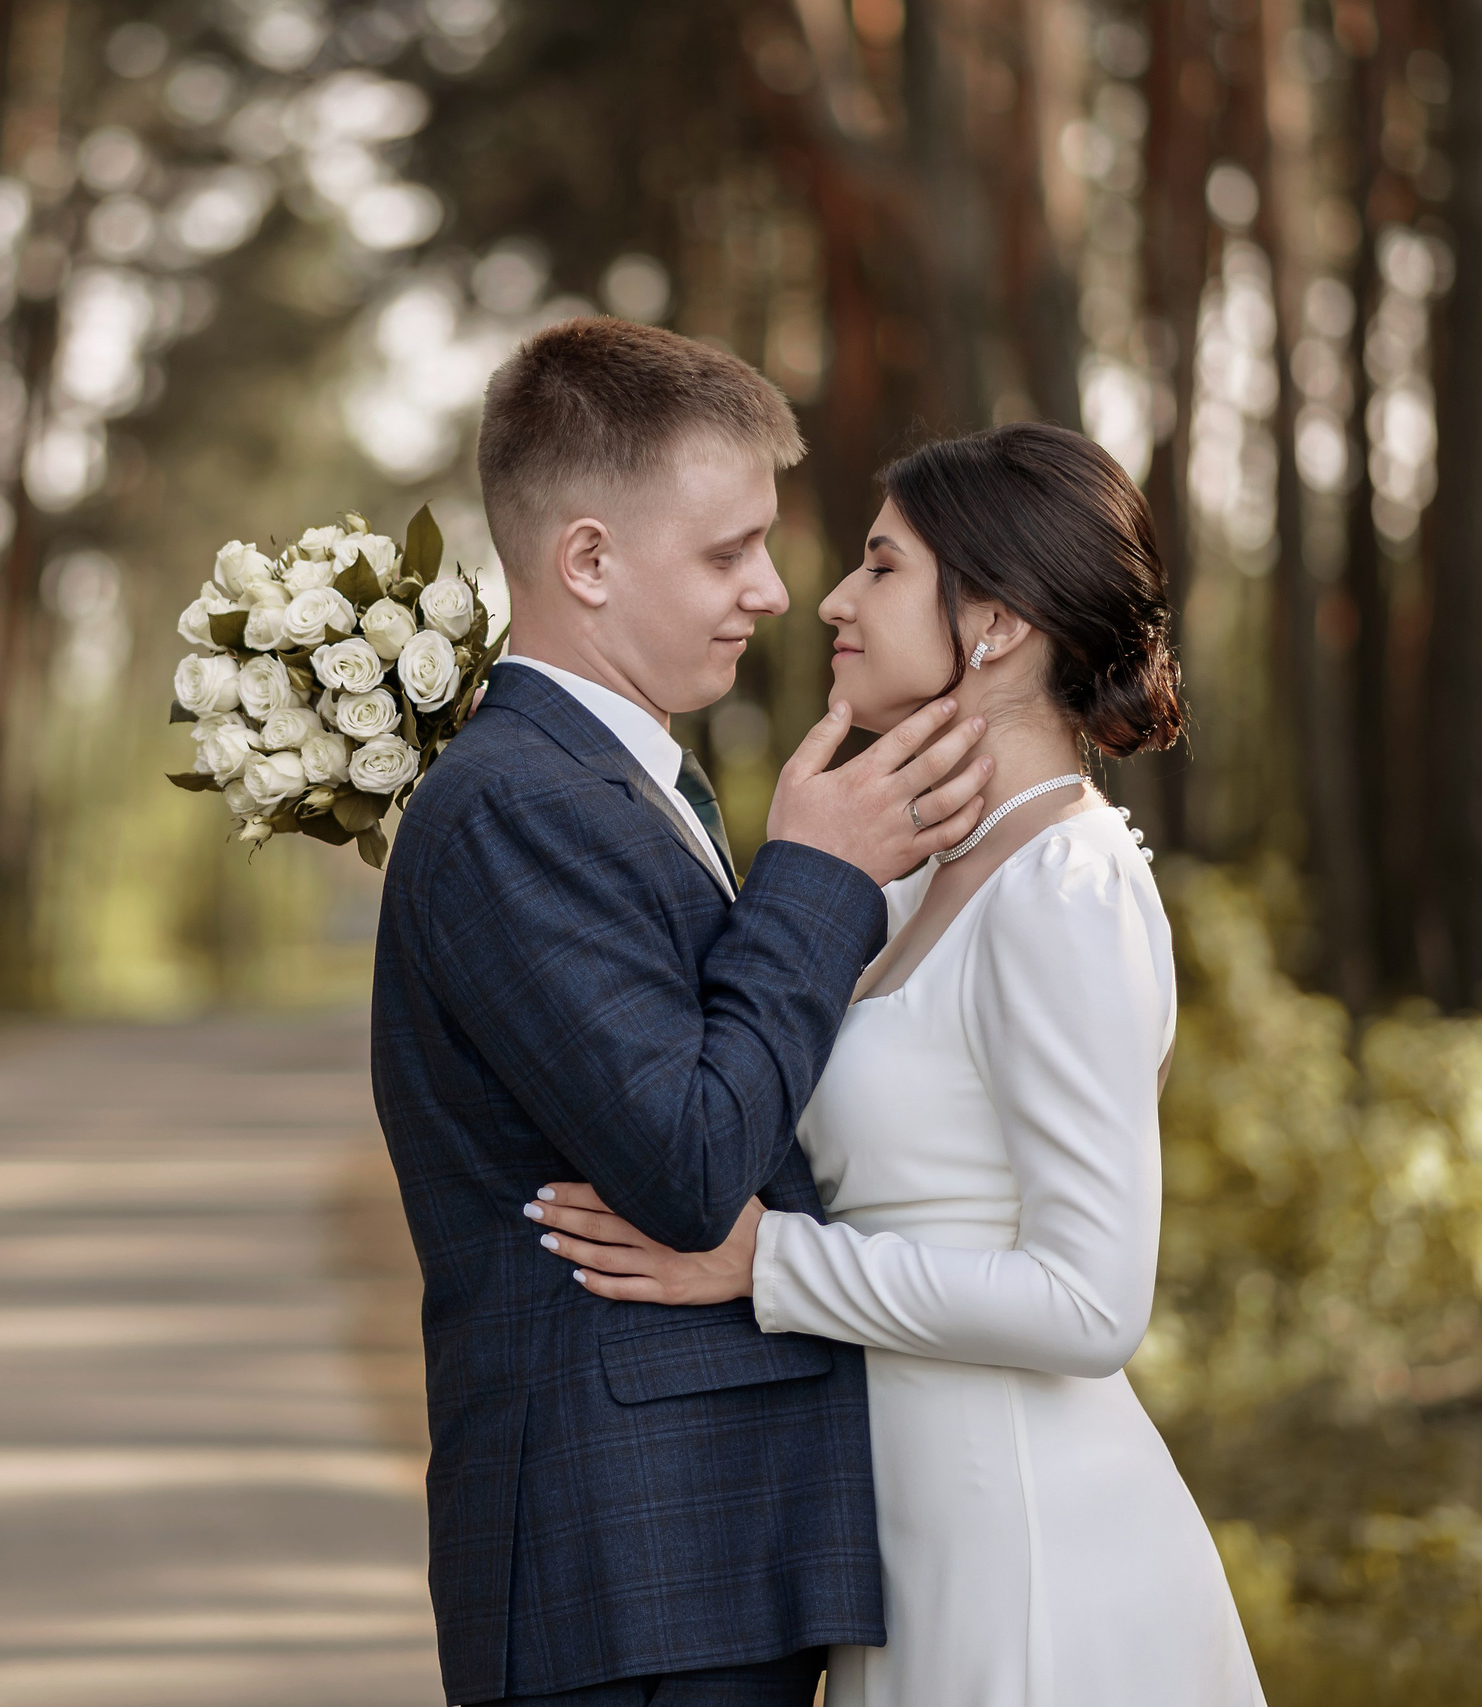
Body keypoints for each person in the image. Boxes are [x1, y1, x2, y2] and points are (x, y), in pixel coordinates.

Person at [525, 422, 1270, 1705]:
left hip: (1029, 1550)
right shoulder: (919, 878)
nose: (828, 598)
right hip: (905, 1540)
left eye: (879, 567)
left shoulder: (1068, 890)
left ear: (995, 624)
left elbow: (1094, 1306)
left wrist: (768, 1263)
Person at [371, 317, 996, 1706]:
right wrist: (818, 879)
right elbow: (688, 1157)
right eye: (727, 552)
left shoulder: (615, 784)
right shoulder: (515, 805)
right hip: (630, 1571)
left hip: (695, 1555)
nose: (776, 592)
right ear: (587, 560)